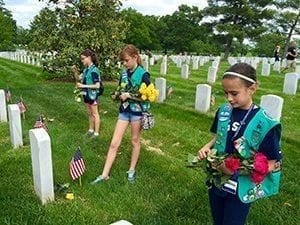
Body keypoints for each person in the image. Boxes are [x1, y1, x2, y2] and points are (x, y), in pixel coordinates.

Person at [198, 63, 282, 225]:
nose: (229, 98)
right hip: (217, 180)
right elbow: (221, 136)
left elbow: (271, 164)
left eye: (234, 93)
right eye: (225, 93)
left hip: (240, 186)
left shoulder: (264, 123)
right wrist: (207, 146)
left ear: (252, 88)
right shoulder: (223, 111)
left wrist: (233, 169)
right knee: (218, 219)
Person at [91, 44, 151, 184]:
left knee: (135, 141)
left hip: (136, 113)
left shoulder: (143, 74)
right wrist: (117, 95)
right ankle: (104, 174)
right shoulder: (123, 74)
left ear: (135, 57)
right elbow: (120, 89)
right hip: (124, 112)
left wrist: (129, 95)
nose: (124, 64)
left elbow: (148, 96)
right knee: (114, 143)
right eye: (122, 61)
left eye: (126, 60)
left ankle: (131, 170)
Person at [76, 49, 101, 138]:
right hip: (86, 94)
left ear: (89, 58)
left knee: (95, 113)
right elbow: (79, 78)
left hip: (92, 95)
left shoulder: (94, 70)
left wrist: (83, 86)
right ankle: (91, 130)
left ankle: (96, 133)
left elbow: (97, 85)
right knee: (89, 113)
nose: (82, 61)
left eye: (83, 59)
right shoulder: (86, 70)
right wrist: (75, 71)